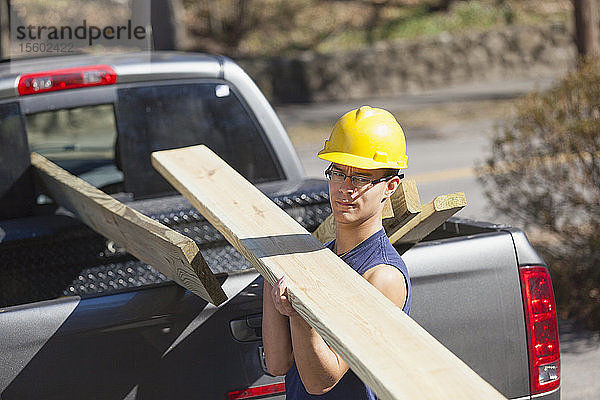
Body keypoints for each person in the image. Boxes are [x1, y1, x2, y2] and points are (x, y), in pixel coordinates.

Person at [262, 105, 411, 399]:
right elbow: (278, 363)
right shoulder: (318, 261)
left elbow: (321, 382)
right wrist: (271, 270)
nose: (345, 188)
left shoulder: (382, 277)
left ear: (390, 186)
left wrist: (299, 313)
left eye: (360, 178)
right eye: (338, 173)